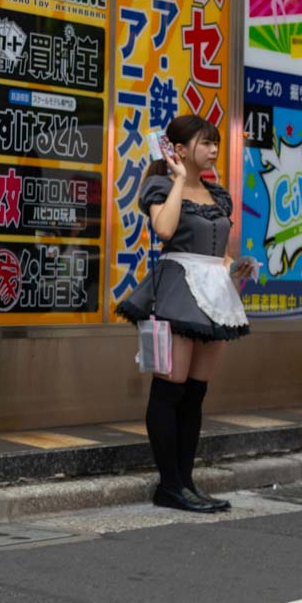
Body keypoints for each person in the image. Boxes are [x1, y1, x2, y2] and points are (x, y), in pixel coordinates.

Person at [115, 115, 250, 513]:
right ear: (179, 148)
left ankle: (186, 483)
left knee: (195, 393)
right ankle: (169, 485)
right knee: (170, 388)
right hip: (176, 288)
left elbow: (220, 253)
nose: (213, 151)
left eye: (215, 144)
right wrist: (176, 180)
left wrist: (235, 267)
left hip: (213, 292)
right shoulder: (160, 185)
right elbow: (166, 230)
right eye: (205, 143)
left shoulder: (218, 194)